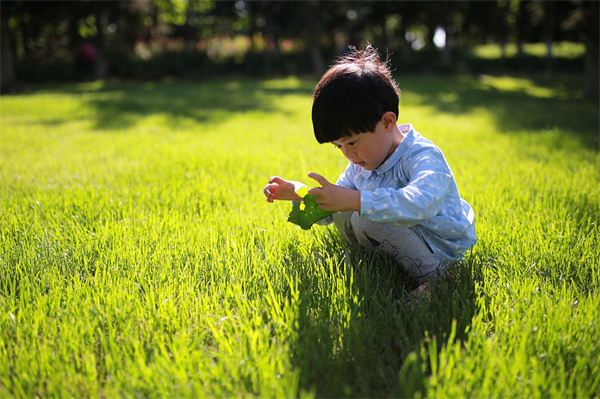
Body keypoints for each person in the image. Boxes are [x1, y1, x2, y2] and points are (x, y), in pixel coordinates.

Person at [263, 45, 476, 295]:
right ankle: (366, 255)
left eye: (352, 142)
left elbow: (421, 204)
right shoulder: (361, 162)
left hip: (438, 242)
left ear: (387, 122)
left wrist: (356, 200)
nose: (348, 154)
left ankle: (437, 277)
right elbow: (334, 205)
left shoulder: (422, 156)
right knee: (345, 208)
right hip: (401, 234)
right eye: (338, 146)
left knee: (364, 214)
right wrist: (299, 192)